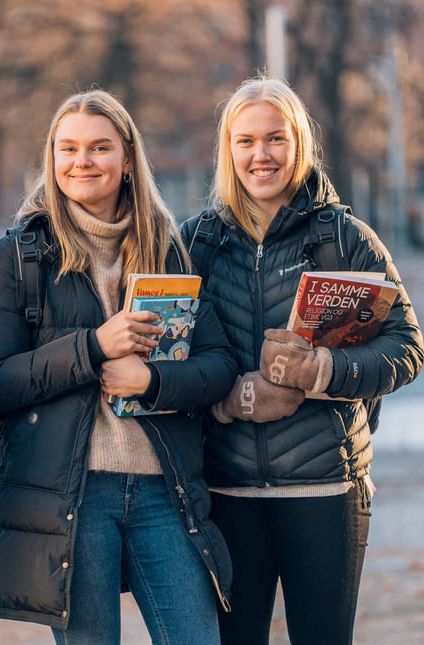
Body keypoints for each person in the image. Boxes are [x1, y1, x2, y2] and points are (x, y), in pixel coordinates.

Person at [0, 89, 238, 644]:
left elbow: (219, 367)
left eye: (98, 148)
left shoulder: (167, 248)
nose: (81, 162)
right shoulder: (21, 255)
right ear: (52, 160)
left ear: (126, 161)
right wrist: (91, 348)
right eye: (67, 149)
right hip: (72, 495)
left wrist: (153, 382)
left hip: (165, 493)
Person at [180, 75, 424, 645]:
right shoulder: (197, 243)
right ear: (227, 151)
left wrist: (323, 372)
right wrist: (225, 397)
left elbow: (408, 348)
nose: (260, 155)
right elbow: (172, 358)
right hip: (227, 492)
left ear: (299, 144)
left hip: (327, 490)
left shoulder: (345, 238)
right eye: (245, 141)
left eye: (275, 138)